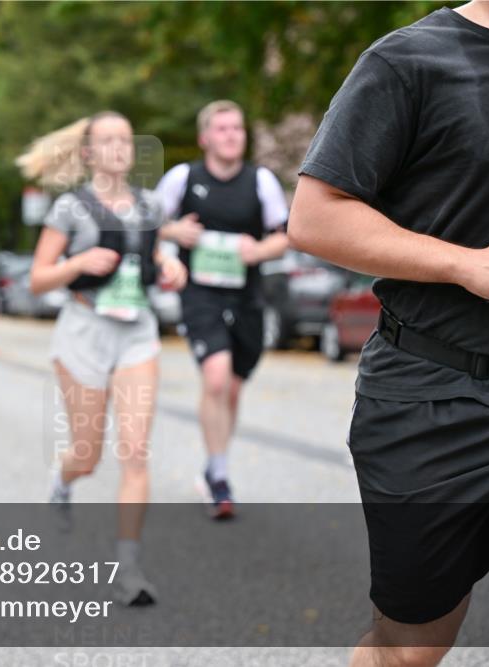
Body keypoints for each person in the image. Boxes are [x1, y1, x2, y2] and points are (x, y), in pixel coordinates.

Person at [287, 2, 489, 665]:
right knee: (410, 647)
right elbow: (315, 218)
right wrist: (463, 263)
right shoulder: (408, 62)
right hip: (432, 398)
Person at [22, 111, 187, 606]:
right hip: (84, 330)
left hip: (136, 331)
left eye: (125, 140)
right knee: (88, 455)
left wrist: (171, 263)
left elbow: (153, 255)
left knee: (135, 451)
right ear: (89, 153)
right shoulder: (70, 209)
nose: (118, 148)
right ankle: (62, 478)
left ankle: (129, 567)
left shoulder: (149, 205)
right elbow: (37, 278)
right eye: (107, 141)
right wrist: (77, 263)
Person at [155, 100, 289, 518]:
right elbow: (147, 222)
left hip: (246, 295)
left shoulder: (261, 181)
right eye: (223, 128)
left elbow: (286, 236)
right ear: (205, 138)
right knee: (215, 378)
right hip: (199, 294)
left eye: (238, 128)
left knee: (231, 387)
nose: (232, 135)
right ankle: (219, 475)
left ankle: (215, 463)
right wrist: (174, 232)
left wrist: (257, 251)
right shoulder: (183, 178)